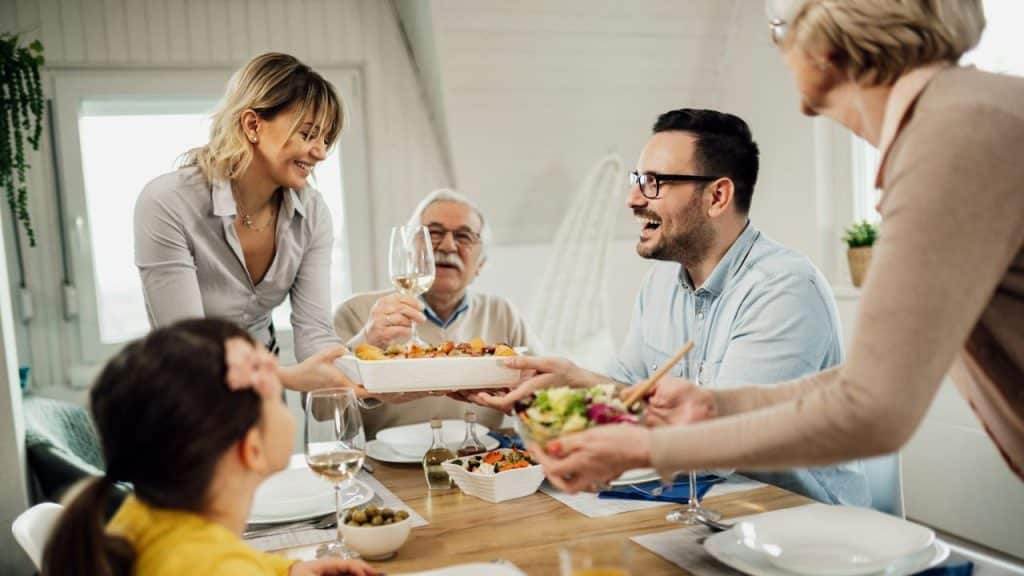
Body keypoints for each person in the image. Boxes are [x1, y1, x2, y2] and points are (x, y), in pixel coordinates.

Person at [515, 0, 1024, 493]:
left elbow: (873, 408)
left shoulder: (952, 136)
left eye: (779, 29)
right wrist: (717, 408)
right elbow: (861, 385)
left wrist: (649, 449)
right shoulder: (960, 118)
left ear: (827, 40)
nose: (778, 50)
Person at [472, 109, 868, 505]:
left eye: (654, 183)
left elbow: (718, 447)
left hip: (798, 523)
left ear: (717, 196)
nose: (632, 199)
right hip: (711, 508)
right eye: (637, 180)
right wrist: (573, 379)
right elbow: (629, 388)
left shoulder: (785, 290)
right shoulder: (661, 283)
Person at [41, 318, 377, 576]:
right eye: (277, 391)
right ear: (252, 449)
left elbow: (216, 555)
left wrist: (287, 570)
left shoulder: (144, 514)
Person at [135, 53, 356, 393]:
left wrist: (379, 376)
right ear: (253, 125)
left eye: (326, 139)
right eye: (309, 134)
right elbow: (185, 348)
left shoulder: (312, 213)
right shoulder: (168, 202)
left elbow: (315, 337)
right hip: (182, 400)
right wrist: (285, 378)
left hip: (263, 397)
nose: (321, 153)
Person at [334, 189, 541, 436]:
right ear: (410, 252)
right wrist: (366, 342)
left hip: (478, 464)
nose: (447, 245)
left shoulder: (502, 313)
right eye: (434, 233)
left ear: (481, 264)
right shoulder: (357, 312)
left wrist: (527, 397)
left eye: (464, 236)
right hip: (384, 469)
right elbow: (320, 408)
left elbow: (542, 391)